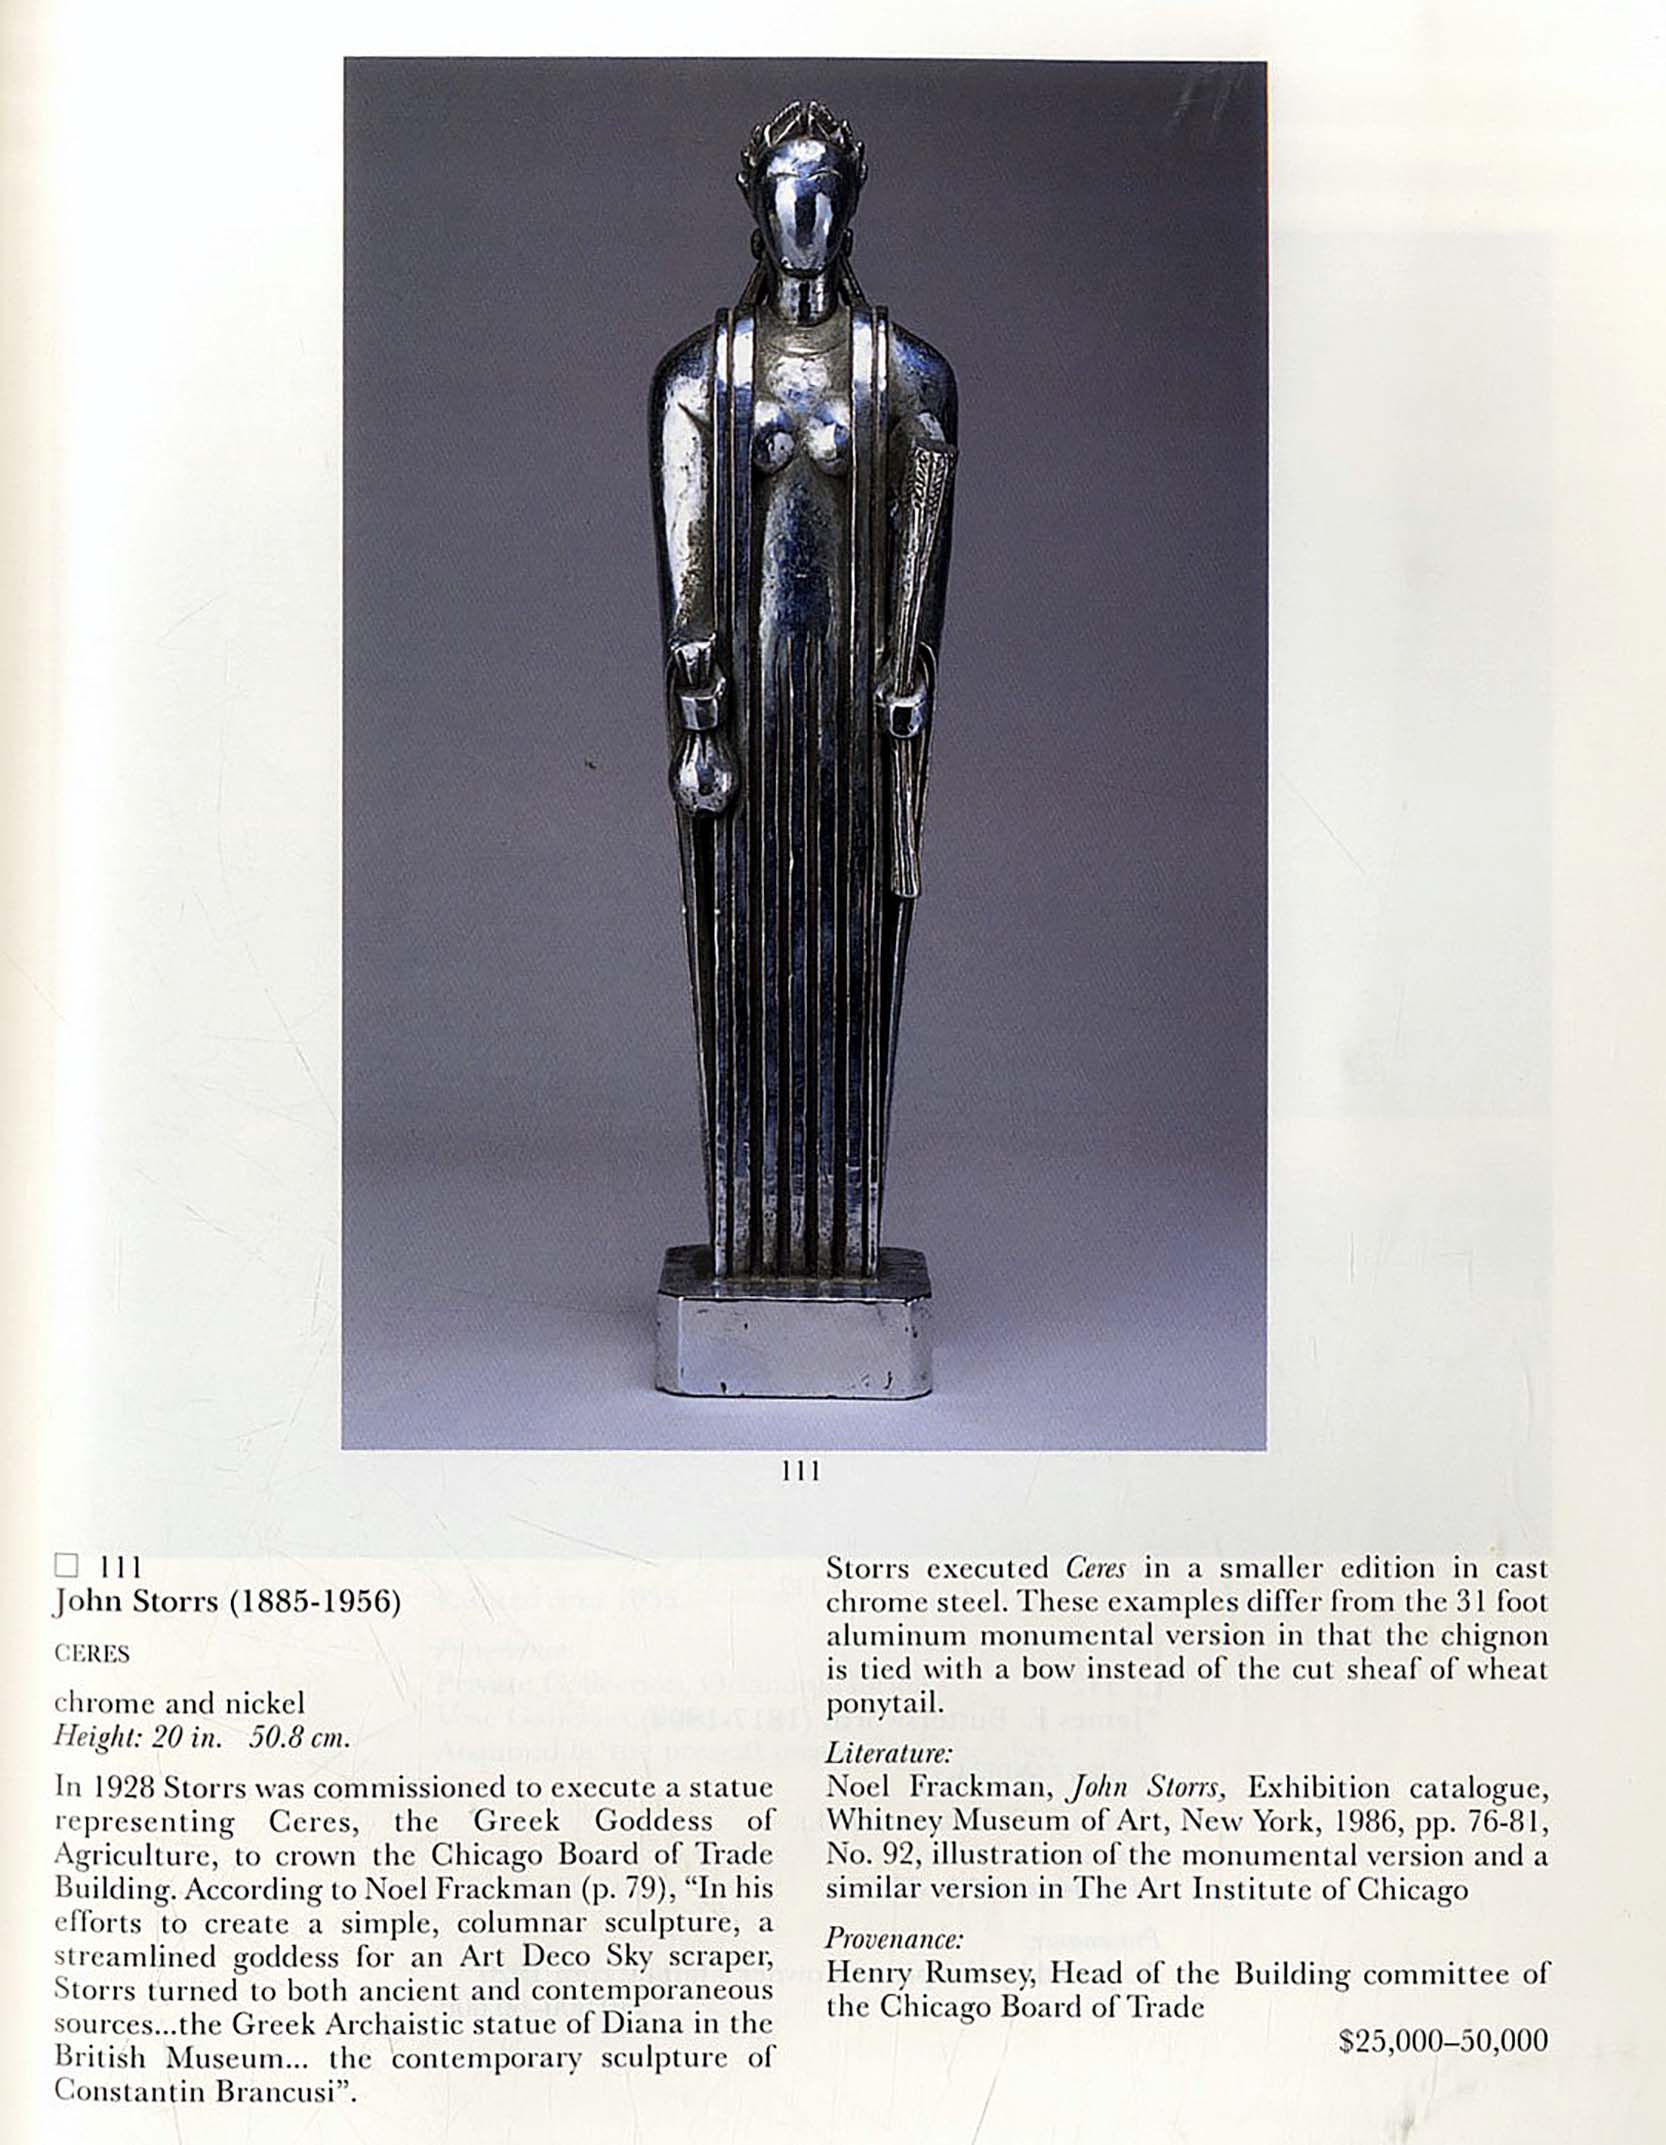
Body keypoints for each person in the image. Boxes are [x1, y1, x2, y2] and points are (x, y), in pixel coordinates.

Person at [651, 100, 957, 1281]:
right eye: (785, 190)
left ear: (851, 204)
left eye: (823, 191)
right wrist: (699, 709)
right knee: (743, 945)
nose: (804, 215)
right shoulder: (699, 376)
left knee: (849, 948)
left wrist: (907, 675)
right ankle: (753, 1226)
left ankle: (838, 1229)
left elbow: (923, 546)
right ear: (753, 201)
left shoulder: (907, 373)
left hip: (851, 707)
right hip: (751, 710)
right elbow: (685, 575)